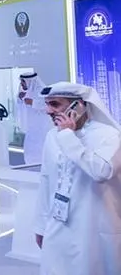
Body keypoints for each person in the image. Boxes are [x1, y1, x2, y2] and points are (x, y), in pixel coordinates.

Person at [34, 82, 121, 275]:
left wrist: (67, 136)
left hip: (94, 228)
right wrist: (40, 225)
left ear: (79, 105)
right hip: (58, 225)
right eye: (47, 104)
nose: (48, 111)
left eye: (55, 104)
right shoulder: (52, 136)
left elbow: (101, 172)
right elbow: (46, 180)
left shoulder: (109, 136)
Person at [17, 72, 51, 165]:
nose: (21, 85)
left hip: (43, 128)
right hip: (31, 128)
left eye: (23, 82)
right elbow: (22, 107)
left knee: (42, 150)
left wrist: (33, 102)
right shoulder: (27, 92)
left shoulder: (43, 90)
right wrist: (20, 99)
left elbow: (48, 105)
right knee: (30, 150)